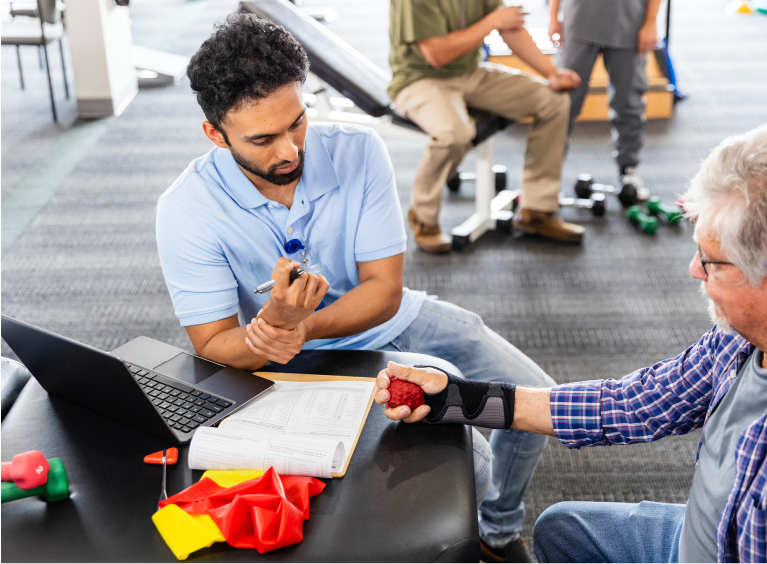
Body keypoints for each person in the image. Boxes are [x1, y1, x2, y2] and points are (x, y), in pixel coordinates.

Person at [156, 14, 555, 564]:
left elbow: (383, 291)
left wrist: (298, 324)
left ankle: (499, 531)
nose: (289, 151)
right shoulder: (184, 209)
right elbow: (213, 343)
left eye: (296, 123)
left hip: (379, 322)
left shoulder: (359, 151)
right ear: (214, 133)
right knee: (471, 463)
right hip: (274, 363)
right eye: (262, 138)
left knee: (533, 396)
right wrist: (274, 335)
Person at [375, 123, 767, 564]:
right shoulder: (733, 343)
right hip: (700, 534)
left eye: (712, 262)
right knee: (561, 529)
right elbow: (630, 404)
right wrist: (454, 400)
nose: (693, 271)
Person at [388, 0, 585, 252]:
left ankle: (537, 211)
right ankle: (423, 218)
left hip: (471, 73)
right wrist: (493, 21)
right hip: (419, 78)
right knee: (454, 133)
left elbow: (509, 26)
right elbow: (438, 55)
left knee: (553, 100)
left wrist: (551, 73)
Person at [548, 0, 662, 202]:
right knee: (562, 104)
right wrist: (553, 16)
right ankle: (547, 177)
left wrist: (651, 21)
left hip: (629, 23)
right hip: (579, 21)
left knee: (629, 103)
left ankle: (628, 169)